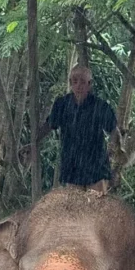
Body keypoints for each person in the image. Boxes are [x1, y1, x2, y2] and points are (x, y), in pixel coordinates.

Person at [32, 64, 117, 193]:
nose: (78, 85)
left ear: (90, 84)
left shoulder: (100, 107)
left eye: (82, 82)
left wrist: (116, 154)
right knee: (75, 209)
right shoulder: (62, 105)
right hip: (72, 166)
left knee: (97, 208)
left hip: (96, 167)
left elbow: (114, 131)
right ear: (70, 83)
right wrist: (34, 142)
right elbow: (50, 125)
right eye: (75, 81)